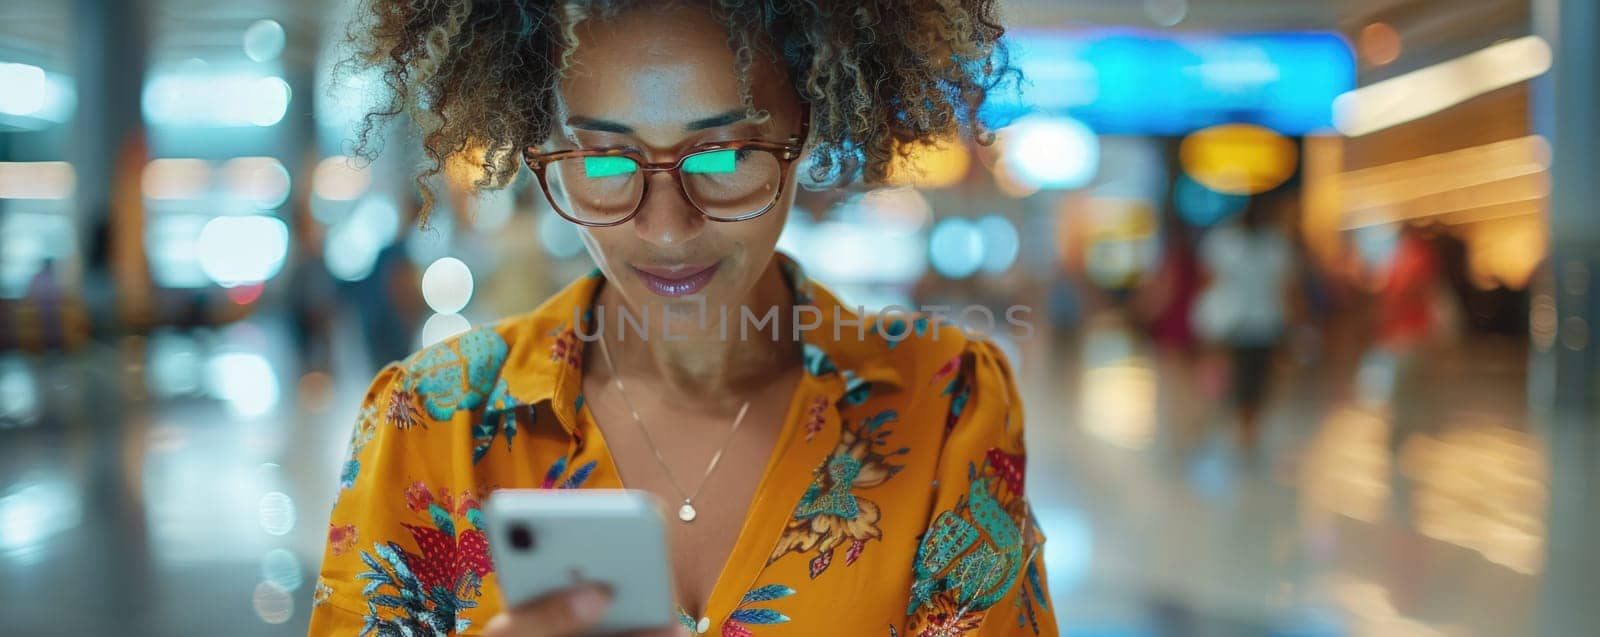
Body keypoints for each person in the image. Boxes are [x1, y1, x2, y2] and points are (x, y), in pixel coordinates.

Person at [309, 2, 1055, 636]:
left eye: (723, 156)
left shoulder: (946, 402)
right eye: (603, 163)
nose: (666, 229)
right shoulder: (429, 422)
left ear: (808, 125)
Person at [1191, 189, 1296, 450]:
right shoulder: (1271, 244)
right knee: (1247, 379)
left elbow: (1210, 283)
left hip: (1247, 323)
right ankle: (1243, 426)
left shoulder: (1239, 243)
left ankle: (1244, 427)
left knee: (1248, 379)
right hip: (1250, 323)